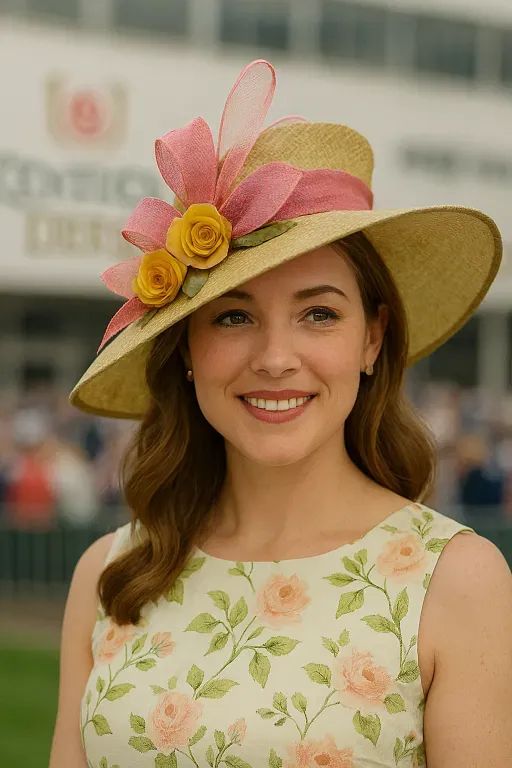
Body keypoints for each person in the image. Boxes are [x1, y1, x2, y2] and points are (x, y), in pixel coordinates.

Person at [49, 60, 512, 767]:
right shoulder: (111, 571)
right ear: (186, 351)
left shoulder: (456, 580)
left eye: (318, 314)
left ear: (372, 337)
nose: (274, 357)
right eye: (233, 316)